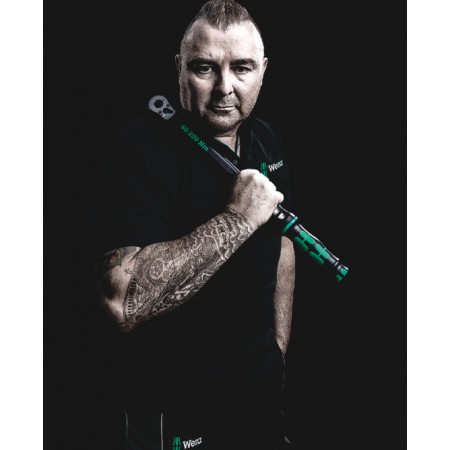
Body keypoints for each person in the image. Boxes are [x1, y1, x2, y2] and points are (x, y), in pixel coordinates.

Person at [93, 1, 295, 449]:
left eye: (241, 68)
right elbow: (120, 301)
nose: (225, 88)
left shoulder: (266, 139)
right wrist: (239, 218)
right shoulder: (141, 151)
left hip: (259, 394)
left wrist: (277, 352)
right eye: (205, 68)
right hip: (179, 403)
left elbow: (281, 247)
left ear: (263, 71)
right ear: (179, 69)